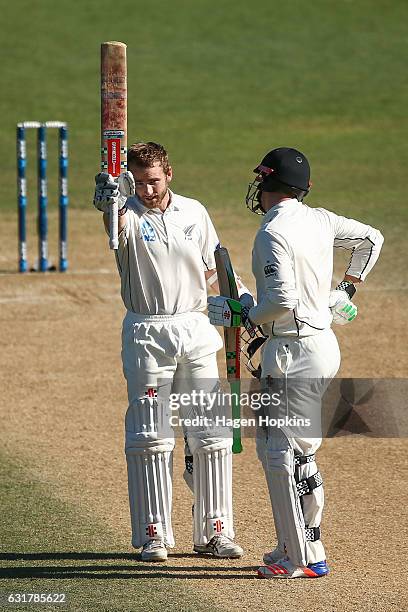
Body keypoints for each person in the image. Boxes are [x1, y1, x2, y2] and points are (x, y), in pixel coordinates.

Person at [208, 147, 384, 578]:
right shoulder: (320, 219)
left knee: (281, 453)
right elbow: (371, 238)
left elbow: (281, 300)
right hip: (312, 344)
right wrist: (347, 290)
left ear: (267, 184)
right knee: (291, 450)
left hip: (294, 352)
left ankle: (298, 560)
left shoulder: (272, 232)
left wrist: (243, 314)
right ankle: (300, 544)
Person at [93, 141, 244, 561]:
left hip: (195, 329)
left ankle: (216, 532)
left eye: (153, 181)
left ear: (169, 174)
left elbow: (216, 270)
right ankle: (153, 534)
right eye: (138, 182)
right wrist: (109, 197)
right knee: (150, 437)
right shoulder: (125, 213)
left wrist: (242, 302)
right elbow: (113, 217)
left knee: (211, 436)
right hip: (146, 332)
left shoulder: (194, 212)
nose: (146, 190)